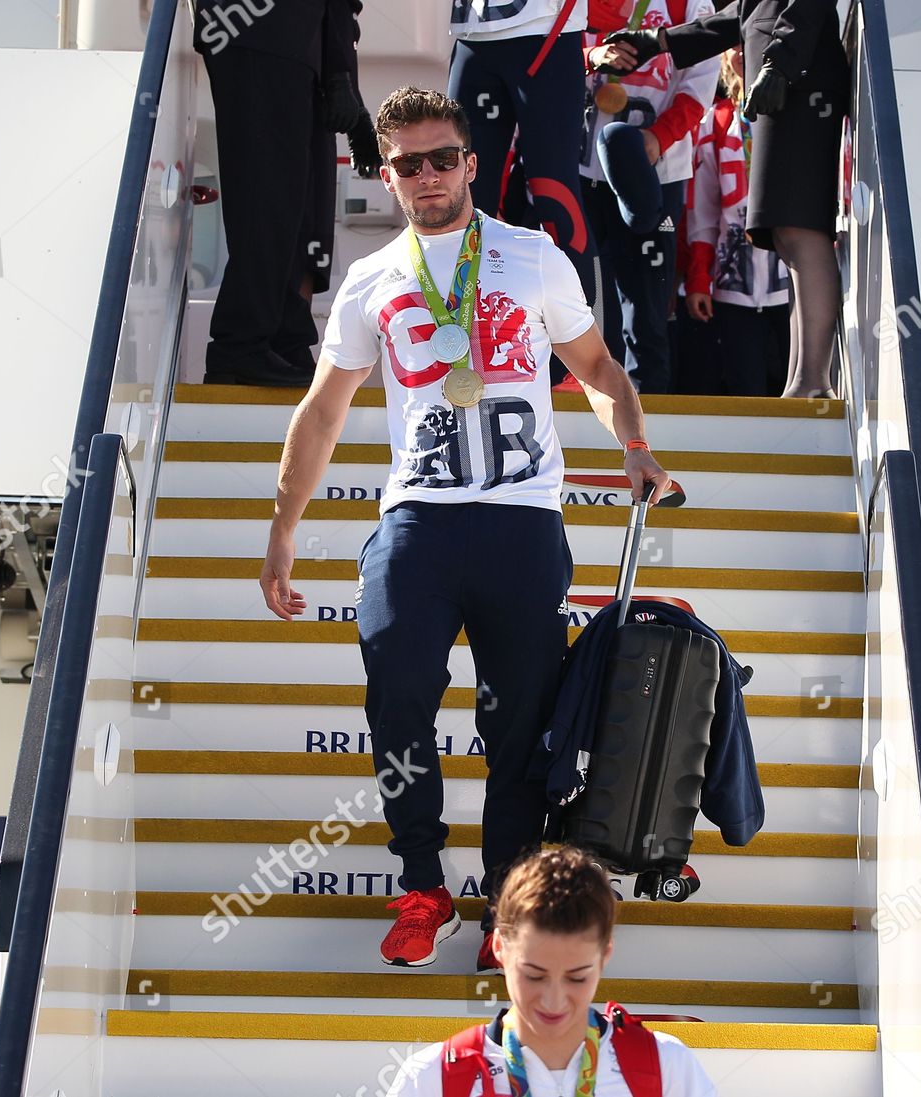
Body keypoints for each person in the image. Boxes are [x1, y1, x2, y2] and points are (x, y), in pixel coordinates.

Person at [258, 87, 672, 974]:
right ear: (387, 173)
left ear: (471, 162)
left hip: (523, 520)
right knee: (396, 691)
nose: (429, 175)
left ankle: (505, 902)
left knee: (519, 725)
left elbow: (596, 366)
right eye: (408, 163)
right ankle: (422, 885)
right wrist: (282, 531)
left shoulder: (530, 257)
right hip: (419, 522)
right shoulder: (371, 279)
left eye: (444, 157)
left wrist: (633, 442)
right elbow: (323, 411)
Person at [601, 0, 846, 398]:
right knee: (786, 236)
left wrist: (780, 64)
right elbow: (742, 14)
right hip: (779, 77)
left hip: (800, 80)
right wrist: (656, 41)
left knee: (802, 229)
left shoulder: (785, 62)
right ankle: (801, 380)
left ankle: (815, 382)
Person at [383, 846, 718, 1097]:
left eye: (576, 976)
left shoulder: (668, 1067)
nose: (554, 999)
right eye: (534, 974)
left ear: (605, 955)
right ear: (498, 948)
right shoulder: (431, 1078)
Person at [196, 0, 365, 386]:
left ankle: (283, 338)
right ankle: (241, 344)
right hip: (258, 29)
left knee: (302, 204)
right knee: (268, 194)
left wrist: (339, 71)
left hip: (298, 39)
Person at [581, 0, 718, 394]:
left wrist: (659, 138)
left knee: (647, 312)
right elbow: (543, 47)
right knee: (576, 302)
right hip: (582, 172)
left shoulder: (691, 4)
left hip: (657, 171)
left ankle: (647, 429)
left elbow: (701, 82)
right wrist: (592, 55)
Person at [447, 0, 605, 307]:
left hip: (547, 30)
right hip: (472, 32)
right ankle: (459, 330)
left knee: (554, 194)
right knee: (462, 194)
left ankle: (591, 343)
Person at [682, 46, 791, 396]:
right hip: (734, 284)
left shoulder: (796, 112)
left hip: (793, 279)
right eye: (733, 43)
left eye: (751, 39)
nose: (743, 50)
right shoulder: (716, 121)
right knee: (748, 388)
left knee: (797, 387)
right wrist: (699, 278)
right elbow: (703, 211)